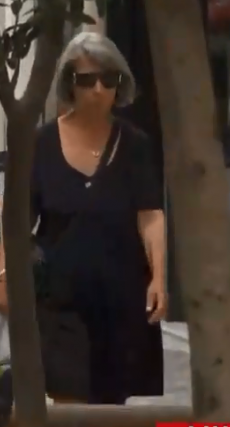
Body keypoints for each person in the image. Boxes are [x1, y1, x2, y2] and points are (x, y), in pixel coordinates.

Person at [31, 32, 165, 404]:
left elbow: (150, 214)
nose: (98, 89)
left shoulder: (135, 144)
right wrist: (5, 277)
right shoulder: (41, 143)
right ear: (69, 83)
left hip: (121, 296)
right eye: (87, 79)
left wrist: (159, 278)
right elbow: (16, 219)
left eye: (109, 79)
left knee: (113, 409)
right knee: (68, 403)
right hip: (60, 298)